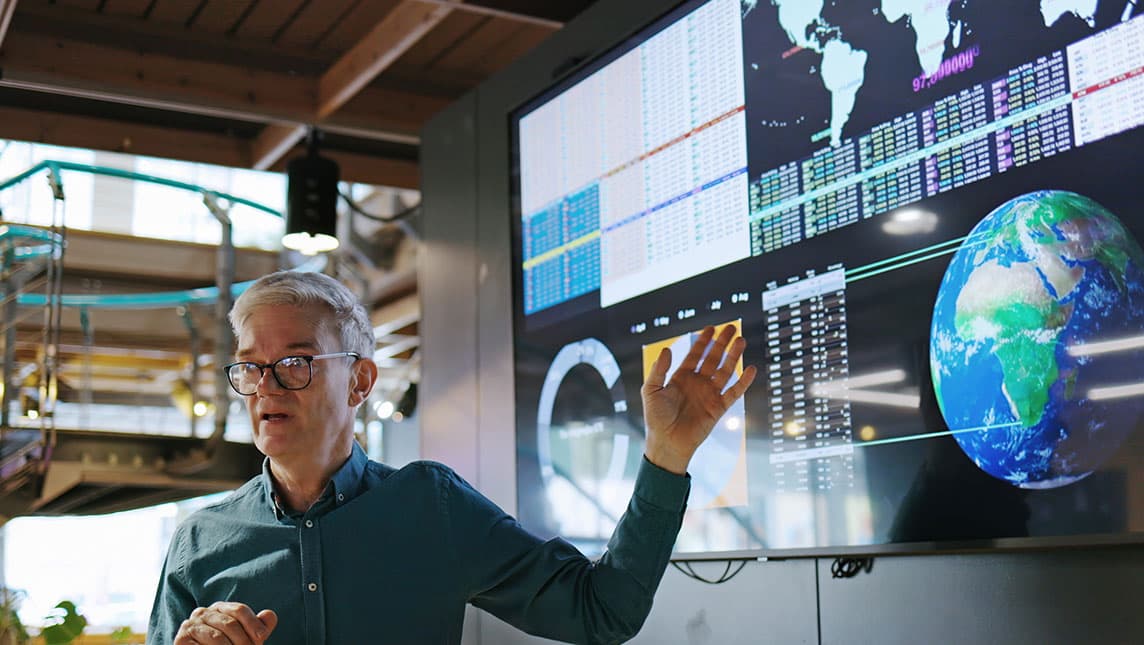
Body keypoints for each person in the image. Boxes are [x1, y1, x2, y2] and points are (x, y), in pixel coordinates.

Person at [148, 270, 756, 645]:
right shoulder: (201, 541)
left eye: (295, 362)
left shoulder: (430, 506)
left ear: (360, 381)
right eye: (251, 367)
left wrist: (665, 458)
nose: (268, 386)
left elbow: (601, 612)